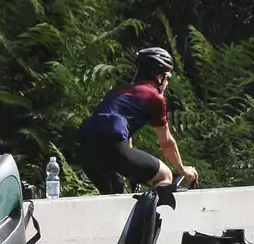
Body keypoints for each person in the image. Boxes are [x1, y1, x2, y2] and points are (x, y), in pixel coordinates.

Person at [78, 47, 199, 194]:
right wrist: (182, 169)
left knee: (115, 197)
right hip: (113, 144)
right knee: (165, 175)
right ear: (160, 77)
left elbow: (124, 133)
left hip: (85, 147)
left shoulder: (119, 91)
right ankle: (146, 217)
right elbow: (166, 141)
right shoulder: (155, 97)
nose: (168, 83)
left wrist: (132, 172)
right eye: (168, 78)